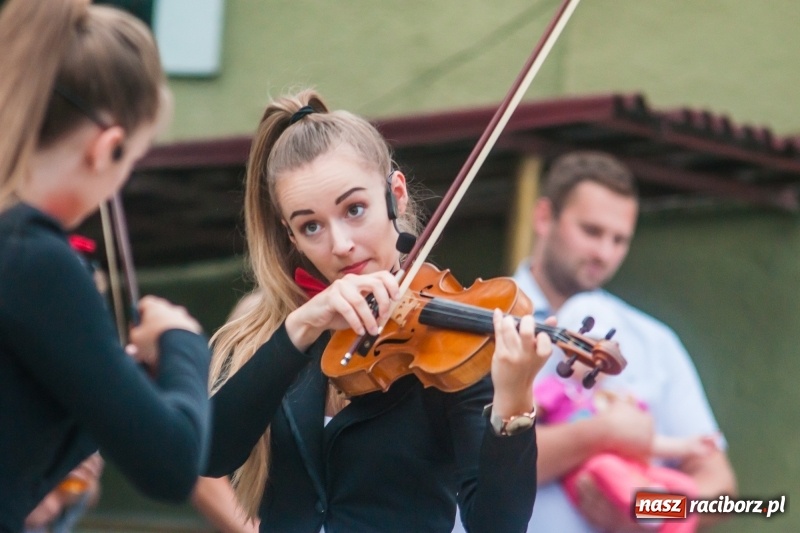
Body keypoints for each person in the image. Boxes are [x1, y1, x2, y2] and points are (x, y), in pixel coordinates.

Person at [203, 88, 554, 532]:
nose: (340, 244)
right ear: (290, 237)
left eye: (354, 209)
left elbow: (496, 525)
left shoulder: (449, 346)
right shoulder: (278, 335)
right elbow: (212, 454)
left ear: (396, 194)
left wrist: (514, 402)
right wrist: (301, 326)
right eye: (310, 226)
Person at [0, 1, 211, 531]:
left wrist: (124, 378)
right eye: (133, 160)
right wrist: (182, 343)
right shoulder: (34, 260)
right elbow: (171, 465)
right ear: (107, 148)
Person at [511, 151, 737, 532]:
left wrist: (641, 517)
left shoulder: (653, 341)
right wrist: (601, 433)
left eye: (620, 240)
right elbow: (472, 464)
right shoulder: (482, 317)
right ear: (544, 217)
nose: (604, 253)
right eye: (591, 232)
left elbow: (720, 487)